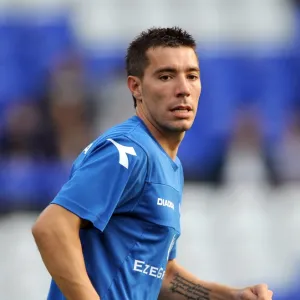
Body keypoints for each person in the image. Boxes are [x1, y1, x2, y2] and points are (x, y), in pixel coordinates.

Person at [32, 27, 273, 300]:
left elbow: (162, 275)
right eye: (166, 76)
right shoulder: (127, 151)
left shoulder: (169, 165)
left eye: (192, 76)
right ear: (136, 87)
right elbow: (51, 227)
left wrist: (232, 296)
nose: (183, 89)